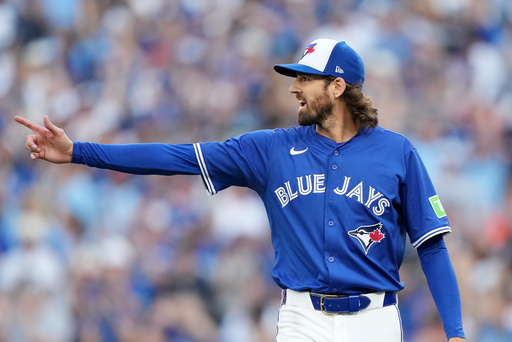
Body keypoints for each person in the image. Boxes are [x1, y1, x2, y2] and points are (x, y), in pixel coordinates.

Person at [15, 38, 466, 342]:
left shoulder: (396, 152)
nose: (294, 88)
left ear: (338, 85)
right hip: (301, 317)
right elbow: (177, 158)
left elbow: (431, 247)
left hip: (375, 320)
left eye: (305, 79)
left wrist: (456, 332)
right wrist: (80, 152)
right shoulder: (269, 149)